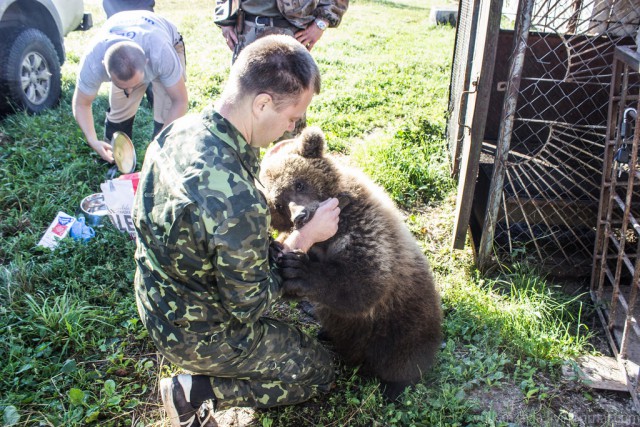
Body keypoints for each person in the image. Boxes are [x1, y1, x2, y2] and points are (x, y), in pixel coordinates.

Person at [132, 35, 341, 426]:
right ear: (262, 103)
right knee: (320, 370)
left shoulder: (180, 130)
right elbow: (250, 306)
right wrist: (303, 239)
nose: (294, 129)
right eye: (293, 119)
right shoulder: (238, 204)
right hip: (197, 333)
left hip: (154, 300)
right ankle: (192, 391)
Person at [72, 10, 188, 163]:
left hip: (166, 40)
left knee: (167, 116)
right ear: (105, 68)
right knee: (120, 113)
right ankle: (117, 162)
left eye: (134, 85)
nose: (129, 91)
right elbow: (81, 103)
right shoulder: (93, 61)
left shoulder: (161, 53)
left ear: (146, 62)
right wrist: (92, 140)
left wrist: (159, 142)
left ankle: (160, 164)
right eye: (122, 85)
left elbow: (180, 101)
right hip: (132, 35)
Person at [215, 0, 349, 61]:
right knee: (246, 99)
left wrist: (322, 22)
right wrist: (225, 20)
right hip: (247, 29)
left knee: (290, 99)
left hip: (293, 31)